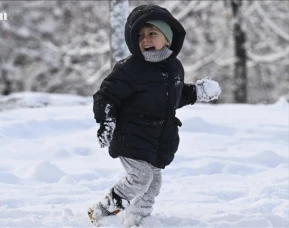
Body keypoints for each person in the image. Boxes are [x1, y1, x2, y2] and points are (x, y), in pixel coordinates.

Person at [88, 4, 221, 227]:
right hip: (130, 136)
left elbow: (172, 98)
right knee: (140, 178)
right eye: (139, 36)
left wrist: (197, 91)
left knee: (152, 183)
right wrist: (107, 120)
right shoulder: (129, 68)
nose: (145, 39)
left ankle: (138, 221)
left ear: (167, 37)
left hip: (156, 139)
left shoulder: (174, 67)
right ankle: (102, 212)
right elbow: (107, 95)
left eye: (152, 33)